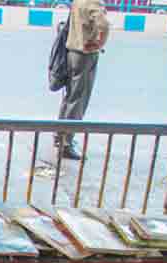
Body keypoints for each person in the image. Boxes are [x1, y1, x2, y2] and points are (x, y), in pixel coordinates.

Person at [56, 0, 110, 161]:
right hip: (85, 54)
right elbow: (104, 24)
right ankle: (66, 142)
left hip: (71, 52)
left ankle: (60, 134)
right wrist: (100, 43)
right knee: (78, 100)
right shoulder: (93, 2)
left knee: (70, 97)